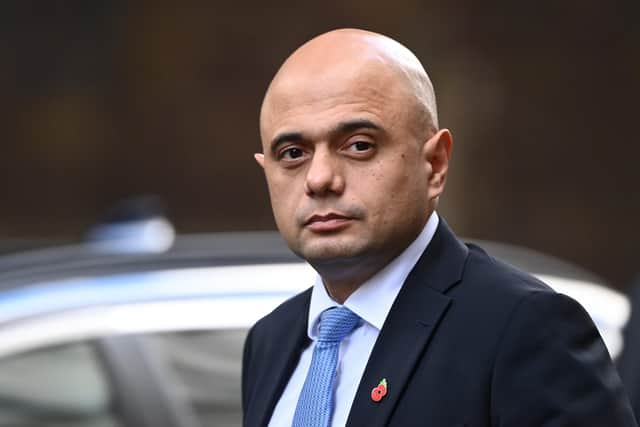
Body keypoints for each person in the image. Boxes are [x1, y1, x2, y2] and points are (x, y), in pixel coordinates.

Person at [242, 28, 636, 427]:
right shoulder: (270, 340)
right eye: (292, 154)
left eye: (359, 145)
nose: (320, 178)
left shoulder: (525, 328)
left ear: (435, 164)